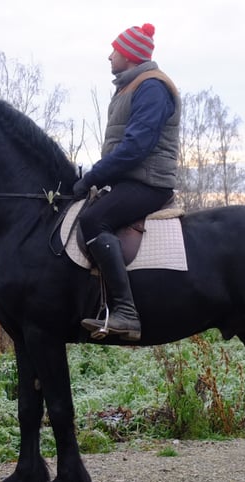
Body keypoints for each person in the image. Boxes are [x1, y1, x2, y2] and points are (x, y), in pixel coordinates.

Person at [73, 22, 181, 342]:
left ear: (131, 55)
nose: (110, 56)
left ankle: (126, 312)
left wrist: (95, 175)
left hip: (149, 182)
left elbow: (136, 147)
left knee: (94, 220)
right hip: (132, 179)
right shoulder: (130, 87)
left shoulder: (151, 86)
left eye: (115, 50)